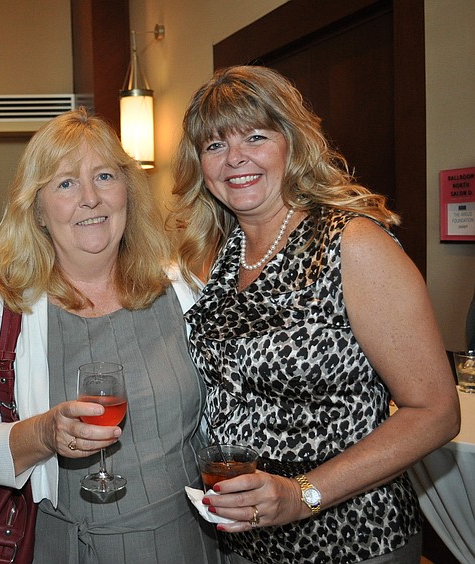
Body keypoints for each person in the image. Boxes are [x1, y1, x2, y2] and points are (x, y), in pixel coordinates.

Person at [169, 65, 460, 563]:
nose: (234, 158)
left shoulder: (352, 244)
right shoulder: (215, 254)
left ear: (292, 143)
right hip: (243, 539)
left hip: (352, 538)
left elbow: (435, 412)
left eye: (255, 137)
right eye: (215, 146)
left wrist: (303, 494)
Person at [0, 108, 219, 562]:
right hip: (63, 548)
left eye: (104, 176)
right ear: (38, 210)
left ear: (128, 192)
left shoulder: (182, 291)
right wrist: (43, 434)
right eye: (65, 183)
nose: (90, 199)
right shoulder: (3, 312)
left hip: (183, 542)